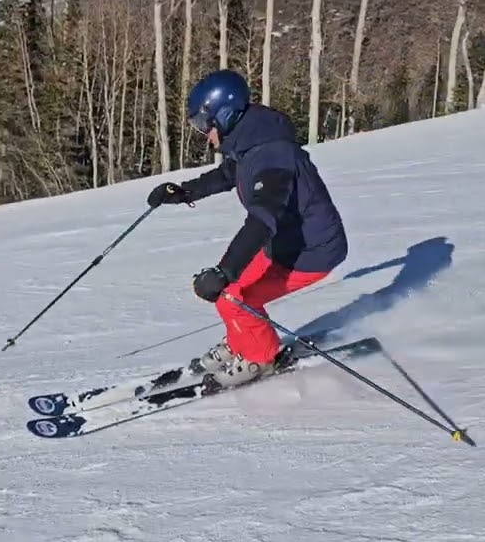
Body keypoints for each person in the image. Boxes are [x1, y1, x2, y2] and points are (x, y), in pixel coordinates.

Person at [146, 69, 348, 390]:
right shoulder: (249, 140)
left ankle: (260, 356)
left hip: (312, 250)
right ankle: (242, 340)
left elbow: (262, 219)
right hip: (284, 243)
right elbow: (228, 175)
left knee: (232, 294)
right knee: (231, 295)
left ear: (224, 115)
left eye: (203, 125)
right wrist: (183, 192)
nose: (204, 134)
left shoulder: (272, 156)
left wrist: (225, 271)